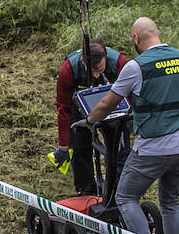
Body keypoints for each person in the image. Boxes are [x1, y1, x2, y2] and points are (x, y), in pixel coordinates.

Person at [85, 17, 179, 234]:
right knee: (170, 200)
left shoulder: (136, 66)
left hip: (153, 147)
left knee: (125, 197)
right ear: (158, 34)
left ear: (135, 38)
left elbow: (106, 103)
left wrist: (88, 122)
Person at [55, 40, 128, 196]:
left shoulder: (119, 63)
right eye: (92, 70)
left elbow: (132, 95)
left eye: (100, 69)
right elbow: (63, 108)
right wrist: (63, 145)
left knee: (120, 145)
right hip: (81, 103)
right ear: (83, 60)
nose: (96, 75)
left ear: (106, 58)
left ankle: (119, 188)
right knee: (79, 142)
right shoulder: (69, 69)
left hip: (113, 101)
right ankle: (86, 189)